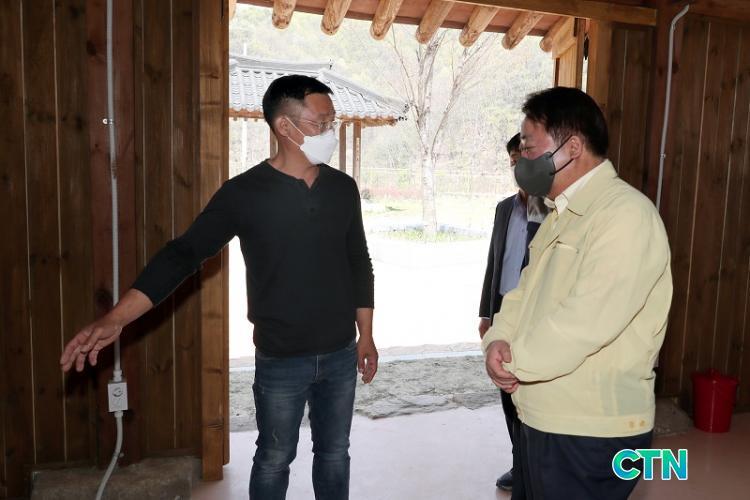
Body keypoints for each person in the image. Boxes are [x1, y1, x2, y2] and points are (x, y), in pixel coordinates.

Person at [60, 75, 378, 500]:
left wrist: (365, 334)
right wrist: (117, 318)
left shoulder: (343, 188)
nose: (329, 132)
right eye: (320, 123)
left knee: (335, 453)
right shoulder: (243, 193)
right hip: (281, 357)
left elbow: (359, 262)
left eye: (331, 122)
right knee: (274, 457)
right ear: (285, 127)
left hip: (340, 352)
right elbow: (183, 253)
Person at [483, 87, 673, 500]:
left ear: (571, 148)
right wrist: (498, 338)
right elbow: (523, 293)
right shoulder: (560, 213)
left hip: (588, 431)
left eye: (530, 148)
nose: (523, 161)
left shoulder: (625, 215)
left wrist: (516, 361)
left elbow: (587, 320)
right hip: (544, 417)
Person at [478, 133, 547, 496]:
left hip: (534, 313)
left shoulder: (551, 209)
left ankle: (532, 466)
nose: (518, 168)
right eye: (513, 163)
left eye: (524, 160)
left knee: (528, 390)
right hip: (503, 307)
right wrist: (486, 313)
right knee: (506, 391)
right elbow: (495, 262)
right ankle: (519, 462)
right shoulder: (504, 208)